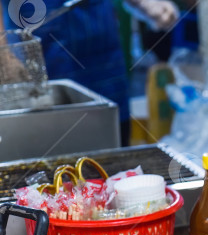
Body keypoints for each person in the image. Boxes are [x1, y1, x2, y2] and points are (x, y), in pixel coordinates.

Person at [2, 0, 178, 143]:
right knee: (48, 144)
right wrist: (4, 53)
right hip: (38, 53)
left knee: (113, 145)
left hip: (103, 52)